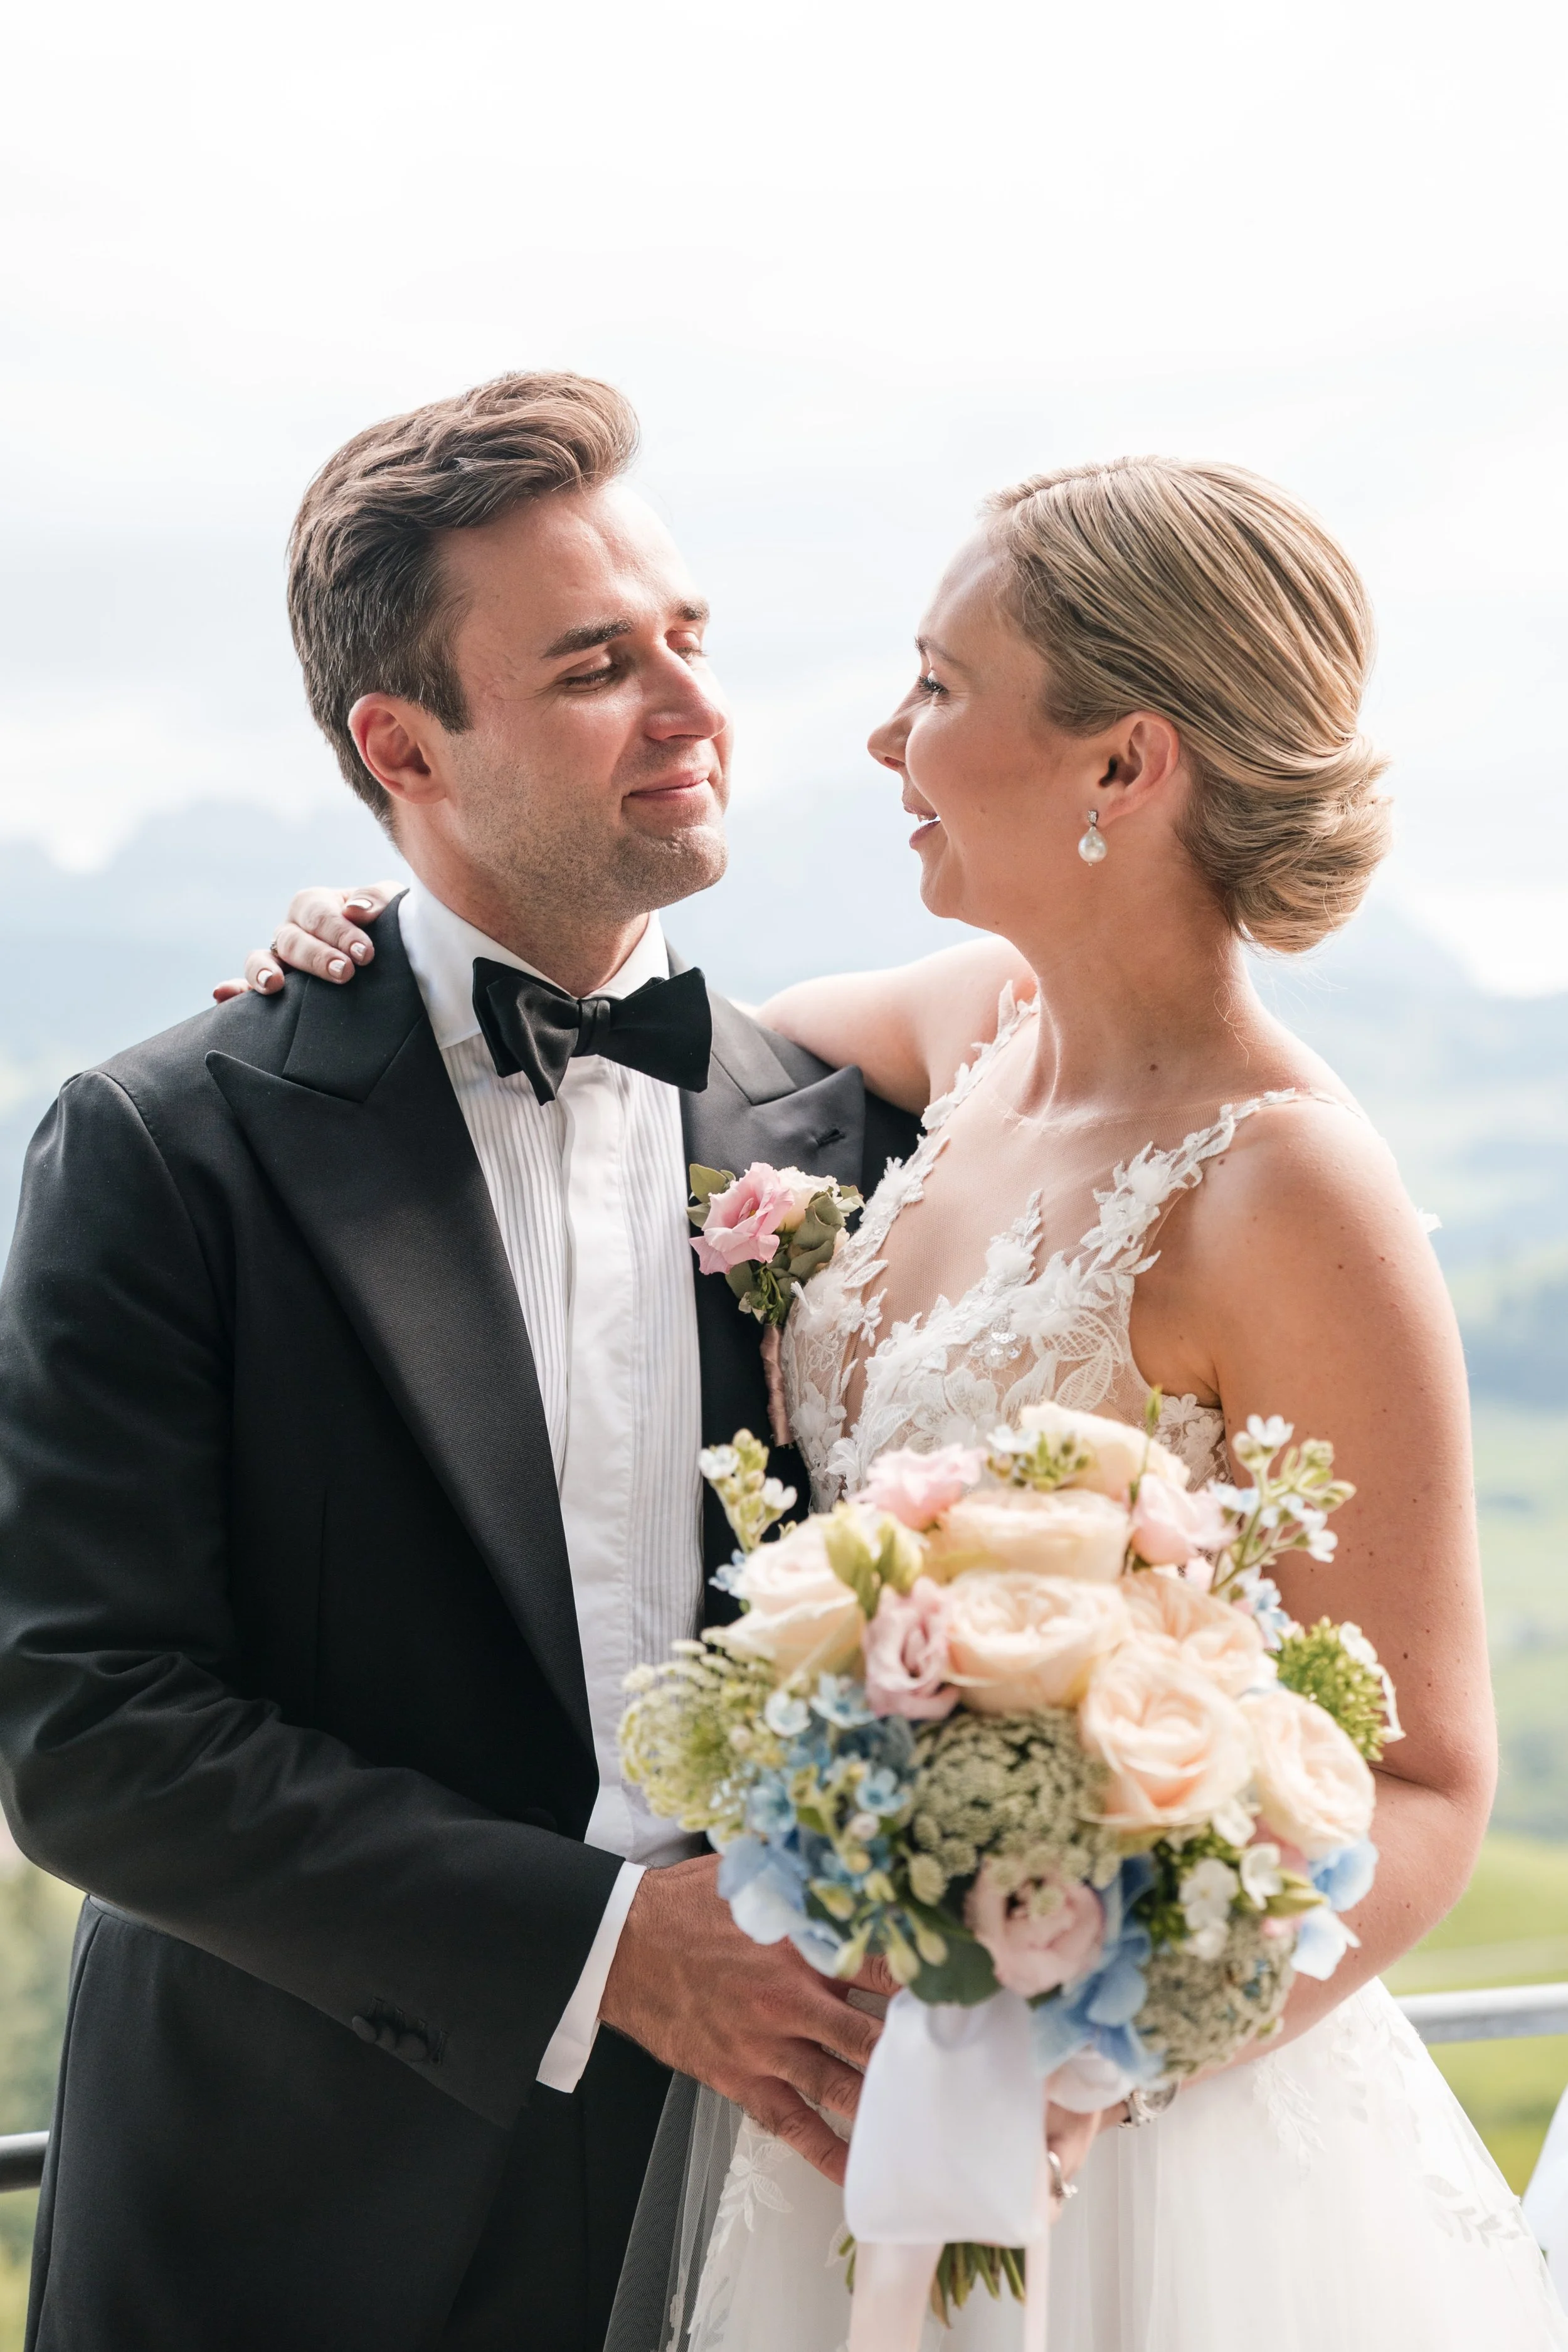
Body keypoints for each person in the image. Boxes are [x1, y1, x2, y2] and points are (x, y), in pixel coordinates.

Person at [255, 456, 1568, 2348]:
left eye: (941, 687)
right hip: (826, 2097)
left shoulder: (1293, 1189)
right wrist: (386, 943)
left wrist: (1091, 2059)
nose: (885, 736)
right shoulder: (973, 1027)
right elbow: (626, 1041)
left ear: (1123, 763)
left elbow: (1430, 1786)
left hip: (1119, 2151)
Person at [0, 372, 918, 2352]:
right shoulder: (167, 1143)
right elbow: (85, 1729)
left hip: (767, 2195)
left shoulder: (854, 1130)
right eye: (596, 664)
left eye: (687, 635)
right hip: (287, 2216)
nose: (690, 705)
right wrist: (605, 1948)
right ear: (400, 742)